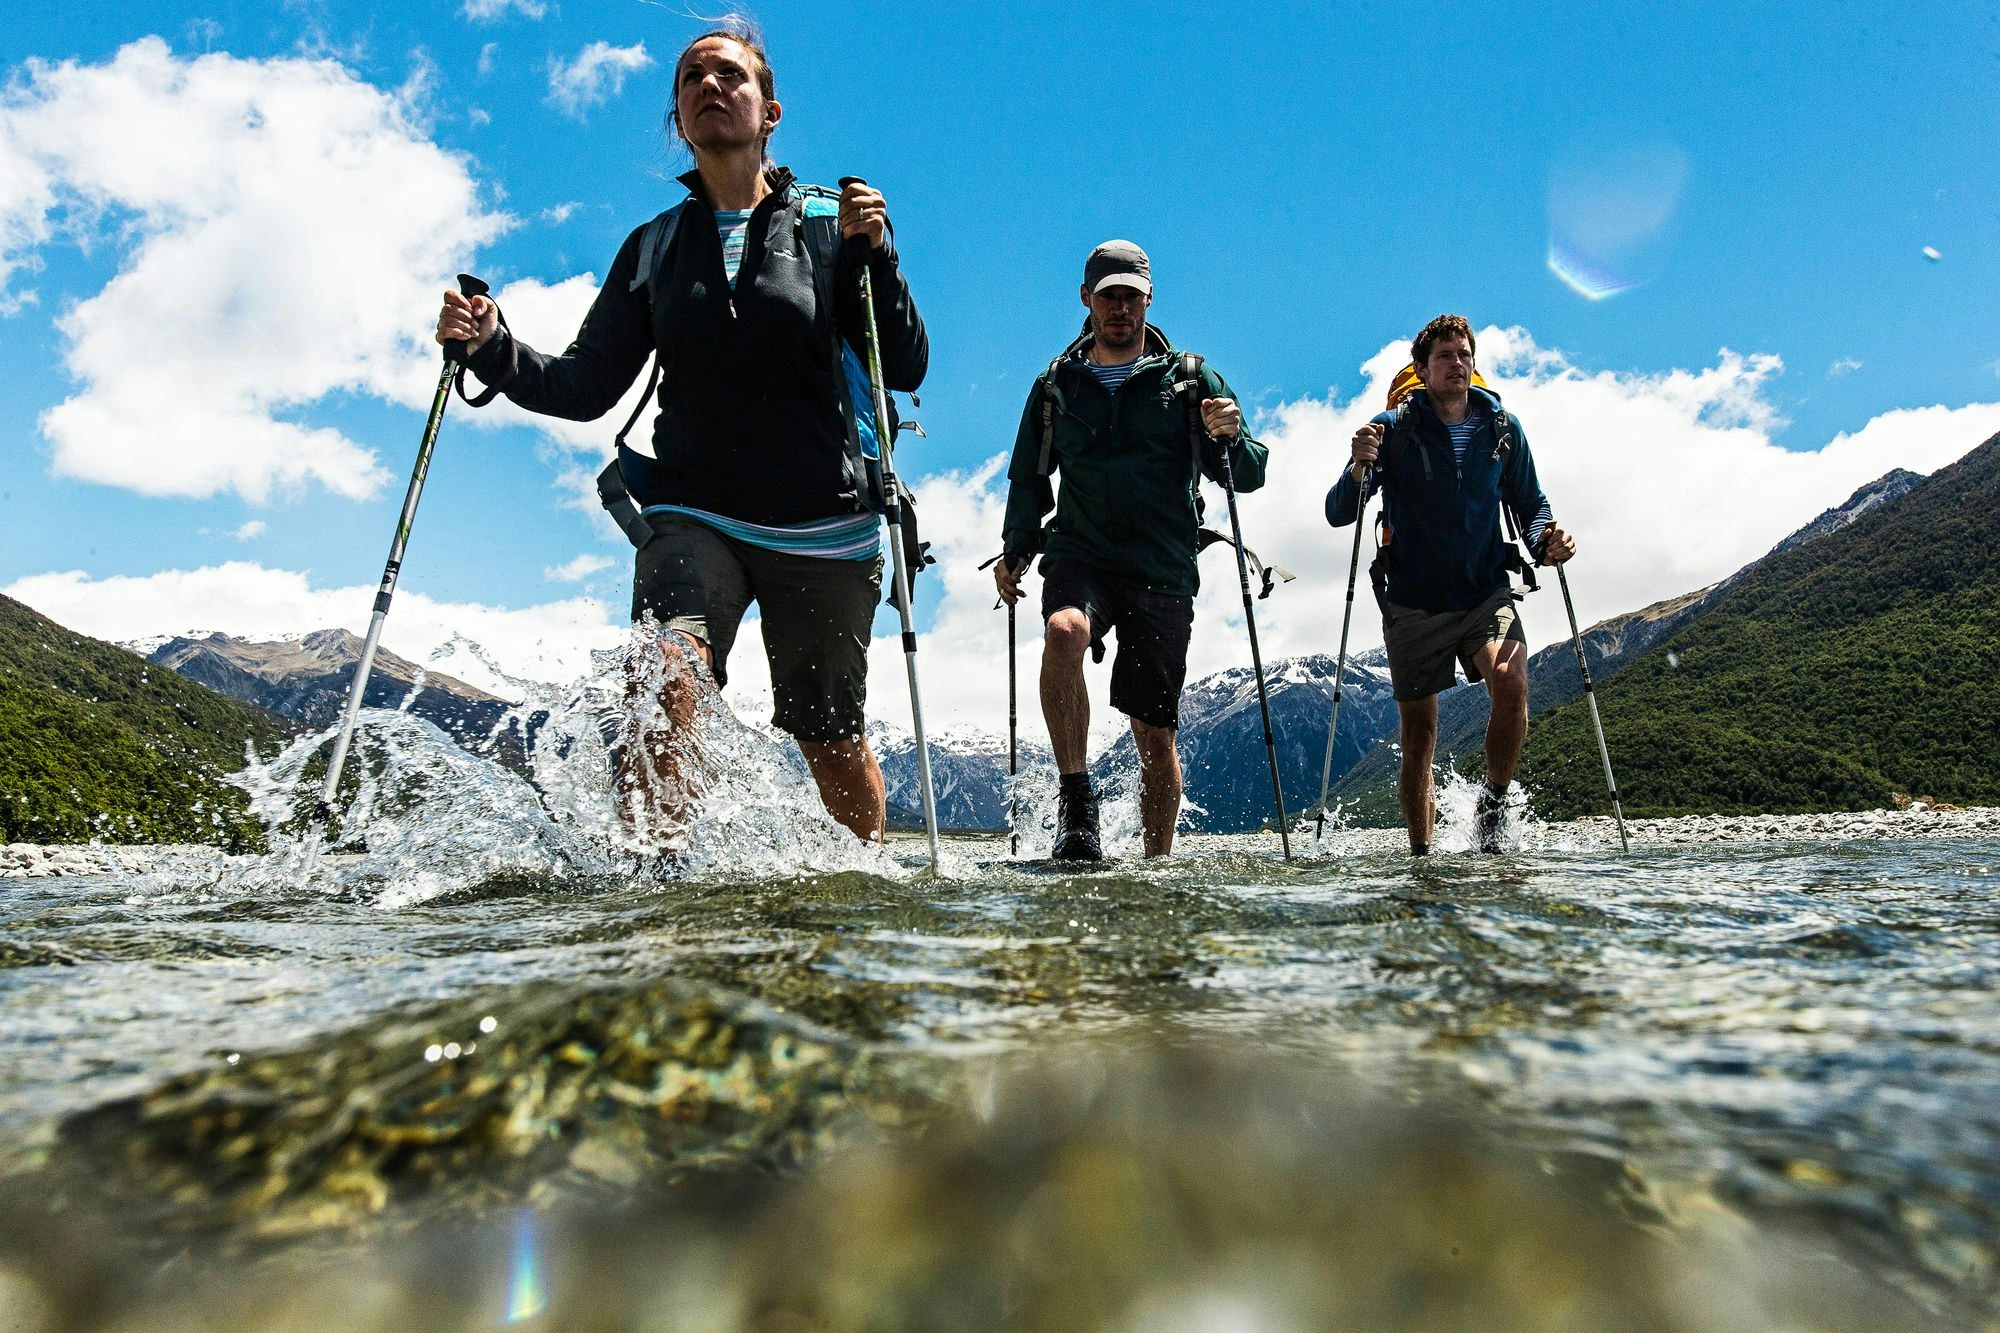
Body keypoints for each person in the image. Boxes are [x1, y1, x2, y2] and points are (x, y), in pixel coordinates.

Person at [435, 19, 928, 849]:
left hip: (826, 520)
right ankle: (659, 898)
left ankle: (855, 903)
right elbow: (585, 386)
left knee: (832, 742)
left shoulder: (831, 226)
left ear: (769, 111)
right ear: (678, 116)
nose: (709, 85)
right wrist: (492, 348)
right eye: (692, 77)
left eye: (729, 75)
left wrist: (878, 257)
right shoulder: (654, 247)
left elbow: (904, 365)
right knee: (660, 675)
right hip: (693, 513)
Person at [994, 241, 1267, 860]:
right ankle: (1077, 804)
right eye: (1109, 295)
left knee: (1154, 732)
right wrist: (1017, 548)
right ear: (1086, 299)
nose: (1121, 308)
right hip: (1081, 551)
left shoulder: (1191, 380)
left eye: (1132, 296)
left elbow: (1245, 475)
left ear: (1149, 299)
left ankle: (1155, 864)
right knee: (1062, 632)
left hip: (1163, 565)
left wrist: (1231, 434)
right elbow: (1029, 481)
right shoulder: (1055, 387)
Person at [1325, 315, 1574, 854]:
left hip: (1484, 590)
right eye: (1444, 356)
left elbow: (1531, 506)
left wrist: (1547, 542)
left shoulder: (1502, 428)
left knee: (1510, 681)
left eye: (1464, 354)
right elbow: (1337, 513)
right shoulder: (1393, 429)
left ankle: (1494, 803)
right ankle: (1422, 856)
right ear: (1421, 368)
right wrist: (1356, 468)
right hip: (1413, 600)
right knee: (1419, 734)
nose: (1457, 364)